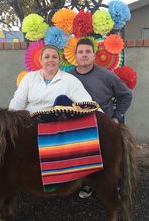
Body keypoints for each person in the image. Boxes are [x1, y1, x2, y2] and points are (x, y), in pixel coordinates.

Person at [69, 38, 132, 198]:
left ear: (94, 55)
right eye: (81, 52)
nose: (84, 55)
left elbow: (126, 95)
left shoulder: (107, 76)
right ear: (75, 56)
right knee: (84, 159)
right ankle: (88, 184)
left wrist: (117, 117)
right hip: (79, 128)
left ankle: (115, 185)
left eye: (88, 52)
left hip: (105, 127)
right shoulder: (67, 78)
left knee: (109, 162)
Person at [9, 45, 92, 112]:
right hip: (30, 124)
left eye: (54, 57)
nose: (51, 60)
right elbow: (17, 103)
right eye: (47, 57)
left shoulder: (70, 80)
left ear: (59, 61)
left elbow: (87, 103)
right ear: (41, 61)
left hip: (57, 126)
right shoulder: (29, 78)